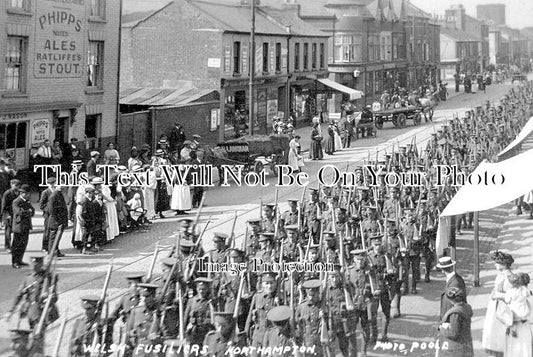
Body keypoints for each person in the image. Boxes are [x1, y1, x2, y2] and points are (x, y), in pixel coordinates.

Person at [492, 273, 533, 357]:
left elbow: (501, 297)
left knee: (513, 350)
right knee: (525, 349)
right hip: (524, 326)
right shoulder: (527, 294)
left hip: (513, 326)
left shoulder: (511, 294)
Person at [482, 251, 515, 356]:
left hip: (503, 309)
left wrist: (497, 295)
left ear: (504, 264)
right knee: (494, 334)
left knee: (500, 335)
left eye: (497, 262)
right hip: (496, 307)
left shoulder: (509, 277)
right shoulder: (501, 274)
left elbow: (512, 295)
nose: (495, 264)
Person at [438, 287, 473, 357]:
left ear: (450, 300)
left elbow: (453, 333)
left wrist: (442, 329)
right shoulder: (466, 307)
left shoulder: (455, 313)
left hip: (457, 349)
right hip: (467, 345)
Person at [11, 184, 35, 269]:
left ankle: (20, 260)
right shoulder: (16, 201)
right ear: (23, 193)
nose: (29, 195)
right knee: (17, 245)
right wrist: (28, 211)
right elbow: (19, 212)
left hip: (26, 226)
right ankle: (15, 262)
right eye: (27, 194)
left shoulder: (26, 201)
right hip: (19, 226)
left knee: (23, 244)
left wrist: (27, 211)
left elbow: (33, 211)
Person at [46, 184, 68, 257]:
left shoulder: (59, 194)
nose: (62, 186)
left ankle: (56, 251)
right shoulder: (54, 196)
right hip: (55, 221)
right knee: (53, 237)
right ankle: (51, 253)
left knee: (57, 237)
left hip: (59, 220)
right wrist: (59, 220)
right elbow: (51, 210)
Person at [2, 179, 20, 252]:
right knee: (8, 232)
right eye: (15, 185)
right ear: (11, 185)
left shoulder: (19, 192)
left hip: (16, 215)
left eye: (18, 185)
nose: (17, 187)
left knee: (16, 231)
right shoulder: (7, 193)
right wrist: (5, 216)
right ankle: (7, 246)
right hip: (9, 215)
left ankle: (14, 246)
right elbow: (3, 206)